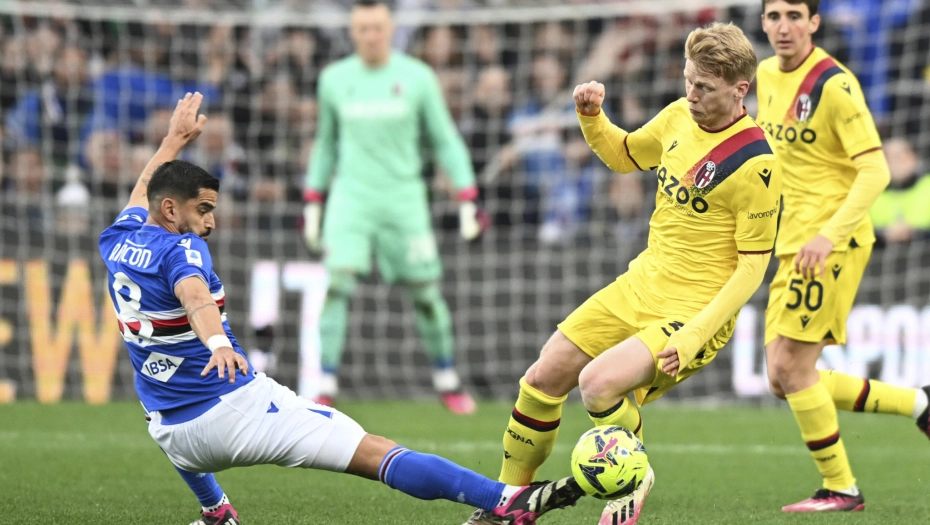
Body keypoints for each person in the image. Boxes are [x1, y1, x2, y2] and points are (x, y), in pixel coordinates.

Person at [98, 92, 584, 525]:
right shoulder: (182, 250)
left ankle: (215, 511)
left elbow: (145, 190)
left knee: (159, 389)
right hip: (235, 411)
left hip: (171, 434)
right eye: (203, 210)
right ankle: (505, 500)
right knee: (375, 452)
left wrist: (173, 141)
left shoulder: (117, 238)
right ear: (171, 210)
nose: (210, 223)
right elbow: (195, 297)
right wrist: (219, 343)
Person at [465, 22, 781, 525]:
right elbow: (626, 154)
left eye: (704, 87)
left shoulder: (757, 164)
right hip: (641, 284)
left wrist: (697, 332)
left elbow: (753, 267)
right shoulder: (677, 116)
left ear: (739, 89)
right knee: (542, 378)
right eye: (688, 80)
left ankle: (635, 479)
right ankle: (506, 504)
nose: (692, 94)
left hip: (695, 311)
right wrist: (592, 118)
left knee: (597, 384)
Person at [756, 0, 930, 513]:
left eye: (794, 15)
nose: (783, 27)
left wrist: (828, 236)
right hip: (791, 243)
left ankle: (841, 488)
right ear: (762, 22)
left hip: (830, 243)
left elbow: (875, 171)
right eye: (773, 16)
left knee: (791, 367)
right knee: (781, 378)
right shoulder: (764, 76)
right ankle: (920, 403)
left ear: (814, 22)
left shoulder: (833, 84)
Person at [302, 0, 484, 414]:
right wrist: (313, 199)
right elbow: (325, 143)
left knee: (426, 294)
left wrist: (467, 195)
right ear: (353, 32)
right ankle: (325, 383)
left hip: (404, 199)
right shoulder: (334, 79)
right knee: (337, 285)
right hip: (351, 198)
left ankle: (447, 378)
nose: (371, 36)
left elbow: (445, 140)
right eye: (363, 29)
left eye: (378, 28)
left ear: (390, 29)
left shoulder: (418, 77)